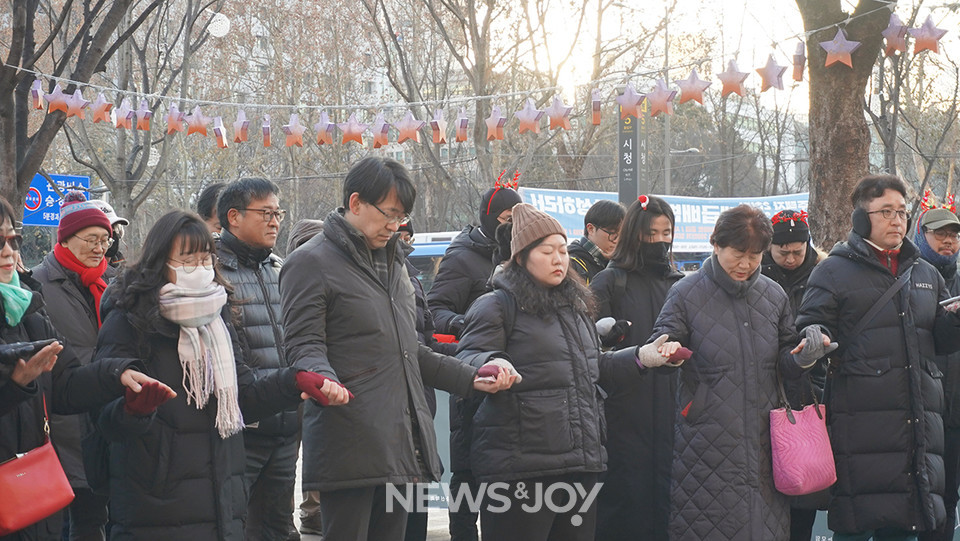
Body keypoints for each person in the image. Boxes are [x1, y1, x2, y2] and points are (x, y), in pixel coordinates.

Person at [279, 156, 515, 541]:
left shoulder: (397, 267)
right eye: (389, 214)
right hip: (350, 439)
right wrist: (321, 378)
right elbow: (304, 343)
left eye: (401, 217)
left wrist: (474, 378)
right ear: (355, 203)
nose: (395, 225)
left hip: (404, 441)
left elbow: (412, 353)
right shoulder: (310, 262)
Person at [92, 210, 340, 540]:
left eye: (205, 256)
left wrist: (293, 381)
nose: (200, 266)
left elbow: (243, 395)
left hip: (221, 498)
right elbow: (103, 415)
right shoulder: (128, 319)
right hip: (155, 503)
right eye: (187, 257)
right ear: (159, 261)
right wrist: (133, 410)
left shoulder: (218, 317)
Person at [455, 203, 662, 541]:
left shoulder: (576, 306)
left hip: (581, 464)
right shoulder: (495, 305)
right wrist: (494, 363)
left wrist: (641, 357)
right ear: (521, 257)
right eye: (547, 251)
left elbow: (592, 367)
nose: (559, 259)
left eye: (563, 250)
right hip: (520, 470)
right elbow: (469, 357)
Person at [797, 174, 960, 540]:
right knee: (856, 524)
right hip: (859, 429)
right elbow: (811, 324)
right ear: (860, 218)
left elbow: (941, 341)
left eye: (901, 212)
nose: (897, 220)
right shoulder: (833, 271)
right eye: (886, 211)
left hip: (915, 430)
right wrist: (815, 339)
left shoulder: (926, 273)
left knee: (902, 525)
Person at [652, 204, 825, 540]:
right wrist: (667, 352)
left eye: (755, 255)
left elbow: (785, 363)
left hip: (768, 438)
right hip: (706, 440)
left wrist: (805, 357)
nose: (746, 264)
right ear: (715, 244)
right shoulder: (685, 293)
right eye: (738, 253)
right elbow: (661, 343)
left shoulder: (773, 296)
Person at [0, 195, 168, 541]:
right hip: (54, 446)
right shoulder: (43, 285)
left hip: (29, 477)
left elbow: (65, 383)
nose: (7, 251)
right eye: (91, 240)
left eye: (11, 239)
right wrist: (15, 386)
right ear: (64, 240)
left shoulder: (27, 306)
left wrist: (117, 373)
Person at [426, 180, 521, 541]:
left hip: (513, 375)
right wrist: (468, 322)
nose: (510, 225)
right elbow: (434, 311)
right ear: (488, 218)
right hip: (472, 369)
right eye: (505, 217)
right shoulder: (462, 256)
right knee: (466, 471)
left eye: (517, 217)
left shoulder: (523, 253)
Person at [589, 195, 683, 541]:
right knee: (624, 508)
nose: (660, 240)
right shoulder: (609, 282)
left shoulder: (679, 284)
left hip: (673, 413)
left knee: (669, 506)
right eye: (651, 233)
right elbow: (588, 355)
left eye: (666, 232)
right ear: (634, 234)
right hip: (622, 415)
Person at [215, 179, 299, 541]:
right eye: (265, 213)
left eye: (277, 213)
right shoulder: (212, 269)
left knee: (279, 525)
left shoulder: (280, 268)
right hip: (240, 430)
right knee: (234, 525)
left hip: (287, 426)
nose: (275, 222)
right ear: (233, 217)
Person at [31, 191, 114, 541]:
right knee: (70, 522)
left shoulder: (111, 284)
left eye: (105, 240)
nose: (100, 248)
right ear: (65, 239)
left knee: (101, 516)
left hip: (107, 413)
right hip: (61, 422)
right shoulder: (36, 284)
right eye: (92, 239)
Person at [760, 209, 827, 541]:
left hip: (807, 394)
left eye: (797, 251)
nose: (790, 258)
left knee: (803, 493)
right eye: (782, 251)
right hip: (763, 393)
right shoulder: (754, 274)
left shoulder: (823, 274)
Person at [915, 206, 960, 541]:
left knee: (948, 500)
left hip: (955, 415)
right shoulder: (907, 278)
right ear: (921, 234)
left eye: (954, 235)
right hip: (919, 412)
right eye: (940, 234)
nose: (949, 241)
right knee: (919, 501)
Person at [569, 199, 625, 284]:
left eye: (622, 235)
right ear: (591, 229)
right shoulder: (573, 265)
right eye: (613, 234)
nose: (617, 241)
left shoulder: (617, 263)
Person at [90, 199, 129, 268]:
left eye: (114, 227)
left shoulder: (124, 272)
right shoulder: (73, 276)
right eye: (103, 228)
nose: (112, 234)